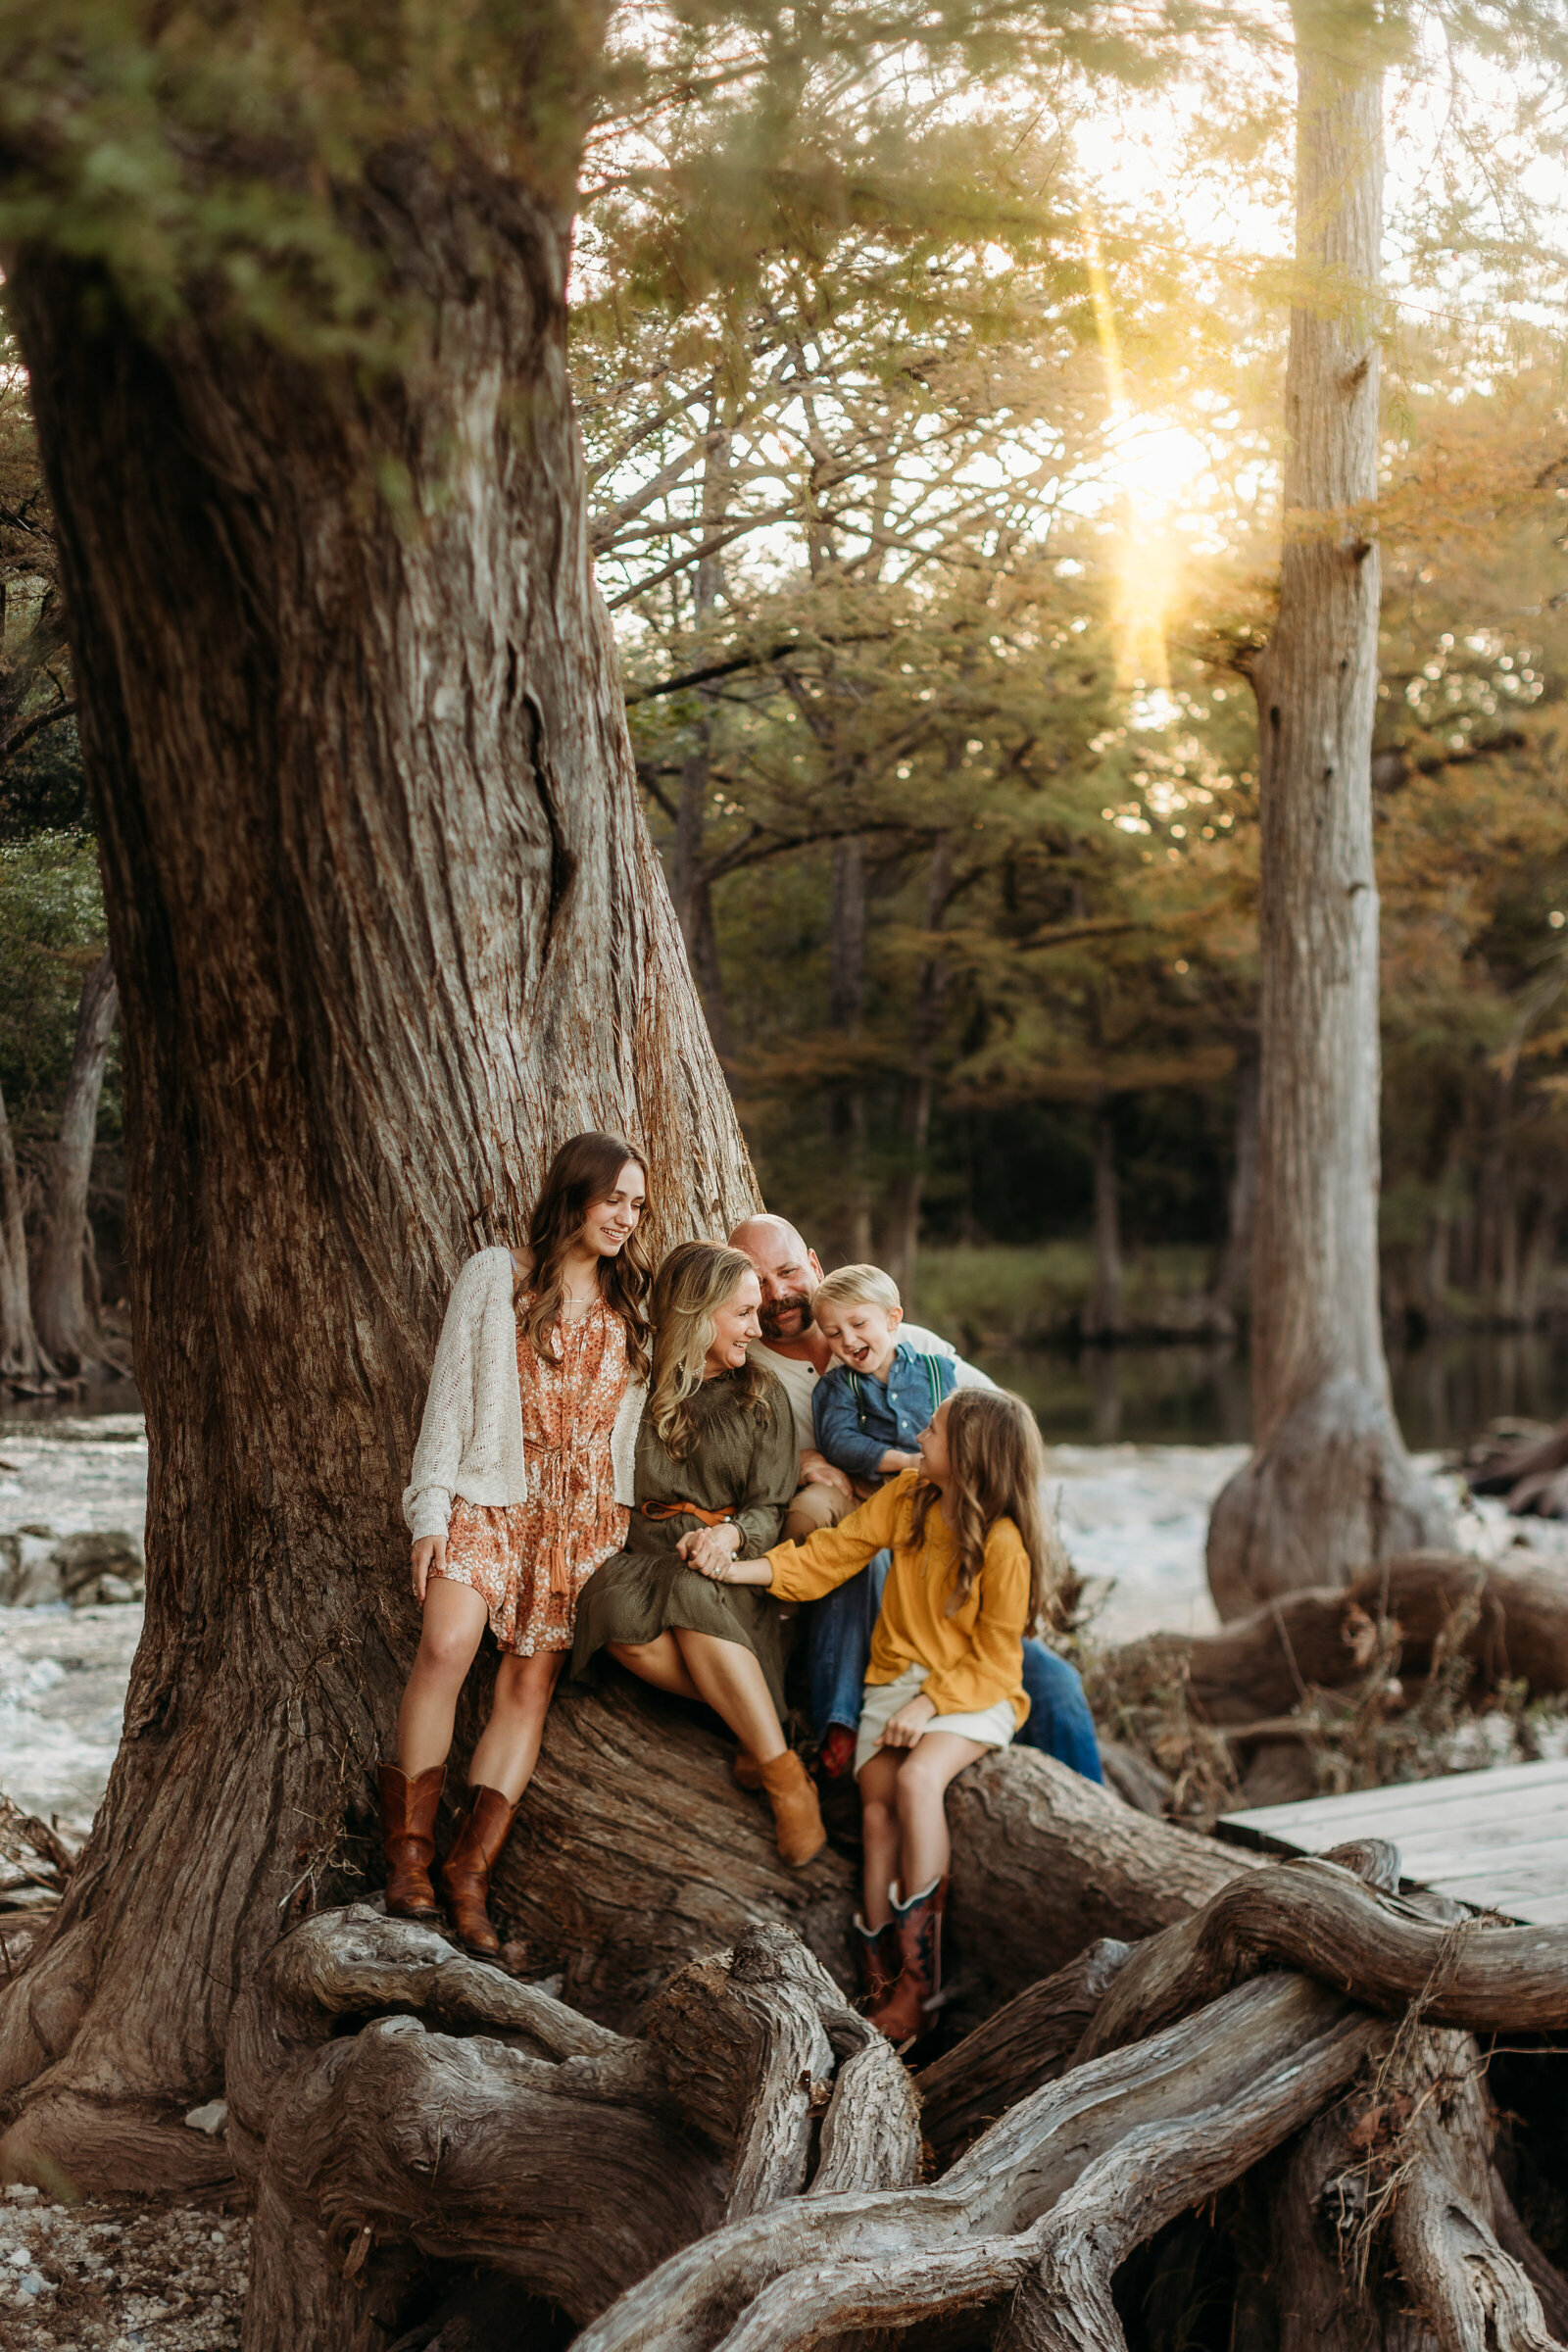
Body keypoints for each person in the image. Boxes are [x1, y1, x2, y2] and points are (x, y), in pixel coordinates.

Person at [692, 1388, 1054, 2049]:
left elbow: (998, 1659)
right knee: (877, 1803)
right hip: (894, 1683)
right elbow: (831, 1555)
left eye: (937, 1429)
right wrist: (739, 1571)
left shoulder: (1003, 1545)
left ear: (970, 1456)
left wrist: (932, 1703)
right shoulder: (910, 1498)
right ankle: (878, 1977)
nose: (922, 1432)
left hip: (972, 1691)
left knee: (918, 1782)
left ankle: (922, 1987)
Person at [387, 1133, 651, 1958]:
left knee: (527, 1687)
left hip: (580, 1519)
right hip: (493, 1494)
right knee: (445, 1645)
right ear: (575, 1194)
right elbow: (450, 1401)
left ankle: (469, 1877)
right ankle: (408, 1856)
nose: (627, 1218)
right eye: (616, 1199)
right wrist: (430, 1513)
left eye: (638, 1206)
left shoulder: (631, 1306)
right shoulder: (498, 1277)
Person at [786, 1255, 1105, 1789]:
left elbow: (1000, 1428)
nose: (846, 1339)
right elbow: (834, 1466)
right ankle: (835, 1732)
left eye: (787, 1271)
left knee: (1057, 1685)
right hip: (879, 1535)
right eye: (834, 1331)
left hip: (951, 1547)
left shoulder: (928, 1358)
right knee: (857, 1564)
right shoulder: (785, 1375)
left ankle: (1095, 1808)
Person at [571, 1241, 826, 1866]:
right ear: (697, 1313)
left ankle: (781, 1773)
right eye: (741, 1313)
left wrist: (728, 1535)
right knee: (615, 1617)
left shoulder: (759, 1394)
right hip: (645, 1557)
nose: (756, 1326)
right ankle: (754, 1718)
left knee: (688, 1588)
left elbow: (770, 1506)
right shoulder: (635, 1386)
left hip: (727, 1570)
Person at [727, 1214, 991, 1544]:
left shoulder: (911, 1345)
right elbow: (728, 1460)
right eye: (759, 1282)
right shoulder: (742, 1369)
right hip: (844, 1499)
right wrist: (796, 1463)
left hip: (933, 1492)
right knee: (809, 1514)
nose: (778, 1292)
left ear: (814, 1265)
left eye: (787, 1271)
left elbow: (998, 1415)